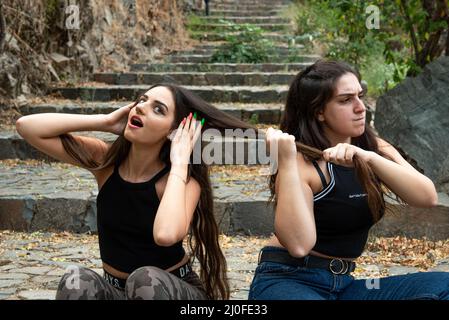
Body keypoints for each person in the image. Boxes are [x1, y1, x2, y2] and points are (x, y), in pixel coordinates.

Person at [16, 83, 253, 300]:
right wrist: (105, 121)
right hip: (117, 291)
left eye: (158, 109)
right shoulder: (105, 163)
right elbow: (27, 127)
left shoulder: (184, 182)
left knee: (144, 280)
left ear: (173, 132)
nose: (141, 108)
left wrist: (180, 162)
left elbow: (165, 234)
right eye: (142, 100)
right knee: (76, 281)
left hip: (170, 290)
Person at [248, 60, 449, 300]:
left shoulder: (374, 147)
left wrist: (368, 157)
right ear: (319, 111)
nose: (360, 107)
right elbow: (299, 245)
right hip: (288, 280)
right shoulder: (301, 164)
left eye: (360, 96)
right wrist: (287, 162)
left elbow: (426, 196)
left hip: (344, 285)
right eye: (345, 100)